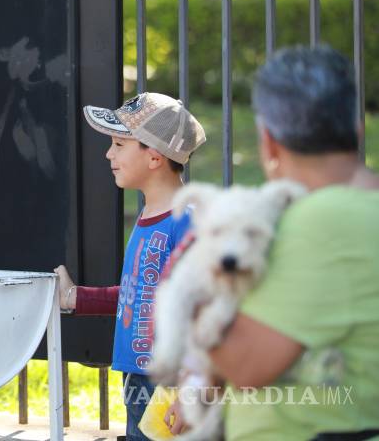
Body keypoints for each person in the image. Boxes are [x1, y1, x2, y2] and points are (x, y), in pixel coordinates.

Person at [204, 45, 379, 441]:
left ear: (269, 142)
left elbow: (246, 364)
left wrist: (187, 291)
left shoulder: (319, 219)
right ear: (357, 130)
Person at [55, 92, 206, 441]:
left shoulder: (187, 223)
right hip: (139, 379)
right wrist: (75, 297)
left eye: (119, 144)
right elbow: (141, 295)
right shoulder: (150, 216)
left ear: (154, 157)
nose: (109, 154)